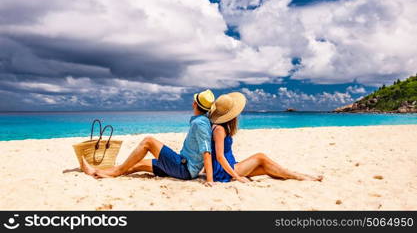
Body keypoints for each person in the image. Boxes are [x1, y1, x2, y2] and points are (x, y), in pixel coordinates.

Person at [81, 90, 215, 184]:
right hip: (181, 164)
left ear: (195, 104)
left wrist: (209, 180)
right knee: (136, 165)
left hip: (184, 169)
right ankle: (97, 172)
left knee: (148, 141)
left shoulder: (200, 124)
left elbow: (206, 151)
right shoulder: (201, 121)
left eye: (193, 101)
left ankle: (115, 171)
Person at [209, 92, 323, 183]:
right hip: (224, 170)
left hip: (229, 165)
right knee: (260, 157)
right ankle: (300, 176)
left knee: (266, 169)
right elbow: (219, 157)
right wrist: (237, 177)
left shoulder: (218, 127)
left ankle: (298, 175)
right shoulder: (219, 129)